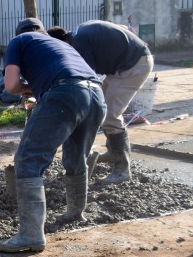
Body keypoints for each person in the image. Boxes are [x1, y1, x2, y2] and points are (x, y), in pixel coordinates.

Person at [0, 17, 106, 253]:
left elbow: (11, 85)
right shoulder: (60, 44)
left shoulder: (19, 40)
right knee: (76, 157)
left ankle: (31, 235)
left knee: (28, 159)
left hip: (66, 93)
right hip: (96, 96)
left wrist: (27, 88)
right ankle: (75, 214)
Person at [47, 20, 154, 184]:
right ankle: (113, 153)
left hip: (133, 65)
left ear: (61, 42)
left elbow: (85, 78)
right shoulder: (77, 33)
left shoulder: (78, 44)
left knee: (110, 116)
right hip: (123, 63)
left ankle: (122, 170)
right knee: (101, 108)